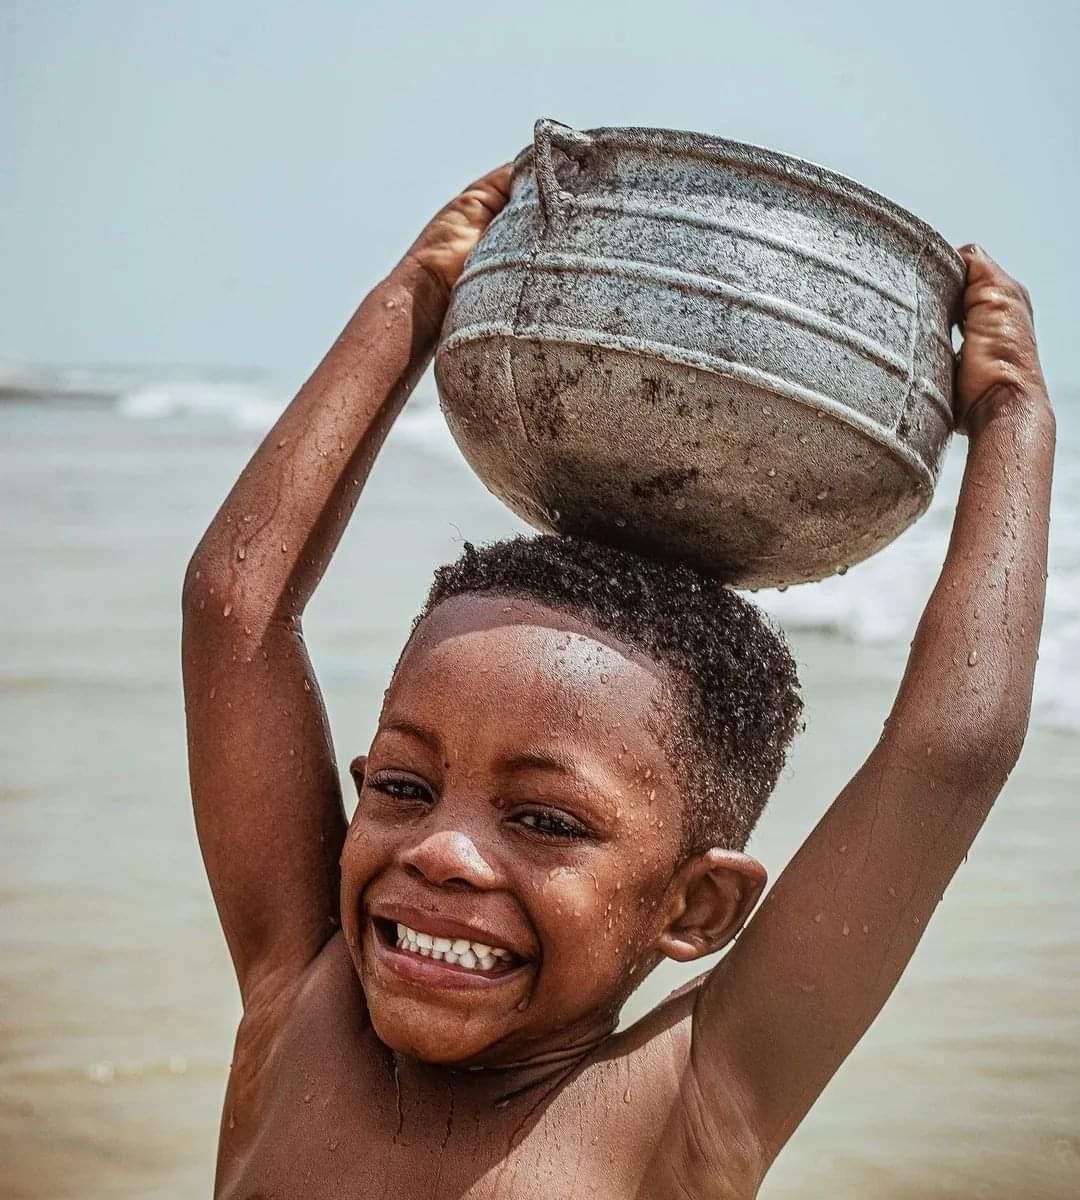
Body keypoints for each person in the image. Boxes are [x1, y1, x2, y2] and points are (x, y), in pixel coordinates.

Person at [181, 163, 1055, 1199]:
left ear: (696, 907)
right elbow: (236, 609)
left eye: (546, 821)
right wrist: (416, 293)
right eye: (405, 788)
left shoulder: (689, 1104)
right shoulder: (304, 1002)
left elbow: (947, 756)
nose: (443, 852)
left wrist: (1012, 418)